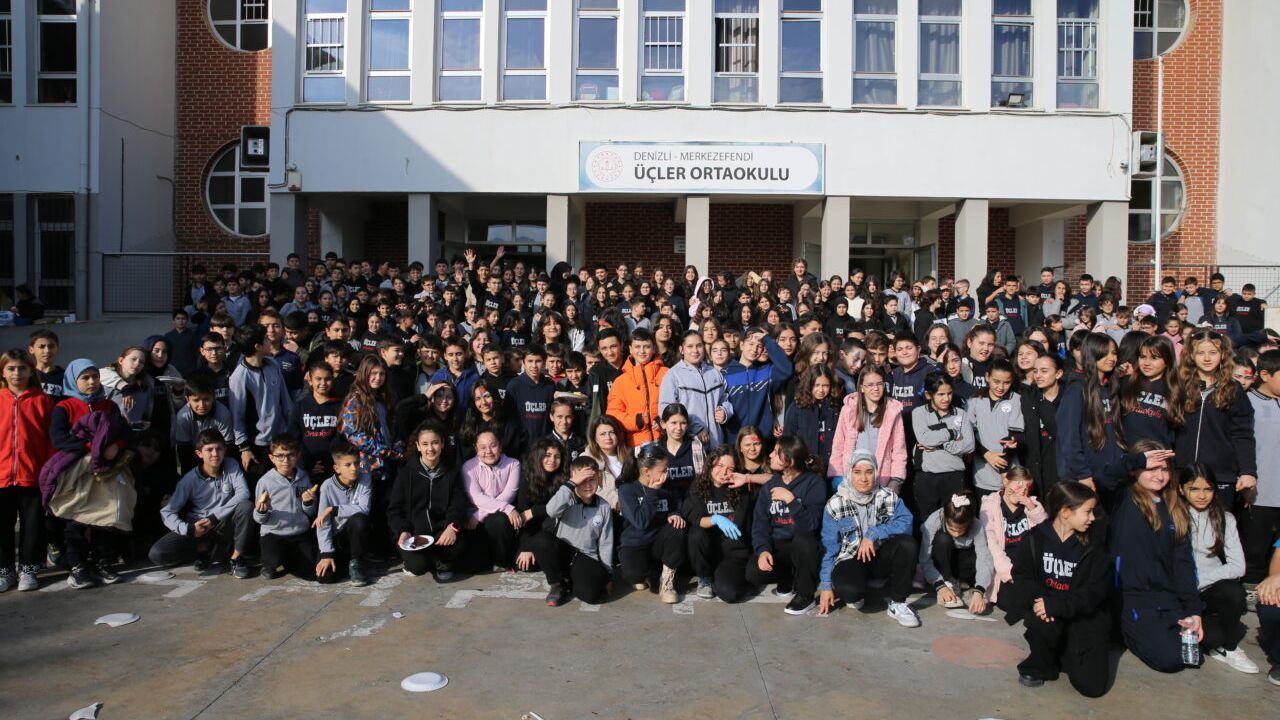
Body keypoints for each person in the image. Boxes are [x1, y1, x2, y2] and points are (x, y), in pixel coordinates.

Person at [998, 481, 1111, 696]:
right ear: (1065, 512)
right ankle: (1040, 664)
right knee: (1044, 625)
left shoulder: (1095, 545)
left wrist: (1059, 604)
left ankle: (1065, 653)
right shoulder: (1034, 539)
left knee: (1092, 688)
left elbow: (1096, 592)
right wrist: (1042, 602)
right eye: (1087, 511)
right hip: (1046, 613)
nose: (1092, 518)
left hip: (1081, 616)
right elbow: (1021, 577)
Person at [1110, 439, 1203, 673]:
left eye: (1164, 469)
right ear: (1135, 469)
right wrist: (1137, 459)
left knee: (1192, 654)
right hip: (1132, 598)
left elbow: (1183, 564)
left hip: (1166, 599)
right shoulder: (1121, 498)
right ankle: (1122, 631)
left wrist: (1193, 610)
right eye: (1151, 468)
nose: (1159, 476)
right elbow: (1105, 475)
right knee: (1169, 660)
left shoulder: (1175, 508)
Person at [817, 450, 920, 628]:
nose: (863, 479)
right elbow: (829, 548)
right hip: (852, 557)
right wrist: (825, 586)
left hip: (880, 556)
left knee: (907, 544)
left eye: (869, 472)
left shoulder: (888, 496)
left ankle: (898, 602)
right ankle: (860, 586)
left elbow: (906, 523)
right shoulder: (835, 504)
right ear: (849, 473)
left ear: (876, 473)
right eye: (857, 472)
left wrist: (875, 533)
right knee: (849, 592)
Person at [1178, 465, 1257, 673]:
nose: (1202, 496)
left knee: (1233, 592)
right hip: (1177, 591)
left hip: (1206, 588)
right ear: (1181, 489)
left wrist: (1197, 581)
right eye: (1194, 489)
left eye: (1208, 489)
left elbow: (1238, 566)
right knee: (1196, 643)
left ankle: (1229, 648)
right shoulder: (1172, 515)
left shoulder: (1225, 518)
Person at [149, 429, 253, 578]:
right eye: (209, 450)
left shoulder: (231, 465)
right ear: (199, 453)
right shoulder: (189, 479)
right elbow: (167, 511)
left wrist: (214, 518)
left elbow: (243, 493)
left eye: (219, 449)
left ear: (224, 450)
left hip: (223, 522)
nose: (215, 454)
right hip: (199, 526)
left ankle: (236, 558)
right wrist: (189, 529)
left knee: (246, 506)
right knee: (157, 554)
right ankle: (203, 551)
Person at [1174, 330, 1256, 510]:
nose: (1206, 358)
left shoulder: (1233, 389)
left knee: (1218, 525)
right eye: (1200, 353)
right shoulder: (1178, 386)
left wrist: (1248, 471)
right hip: (1183, 474)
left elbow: (1242, 434)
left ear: (1223, 354)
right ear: (1191, 355)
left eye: (1212, 352)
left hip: (1220, 475)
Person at [747, 436, 827, 615]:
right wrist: (763, 550)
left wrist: (791, 501)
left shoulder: (814, 483)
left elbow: (811, 524)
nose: (770, 455)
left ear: (789, 461)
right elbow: (760, 523)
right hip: (780, 545)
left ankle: (805, 594)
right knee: (753, 572)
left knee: (804, 540)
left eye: (776, 453)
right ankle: (788, 578)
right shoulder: (771, 485)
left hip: (804, 546)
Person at [0, 349, 55, 592]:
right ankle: (4, 571)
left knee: (33, 526)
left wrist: (49, 471)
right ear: (2, 372)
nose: (17, 373)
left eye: (22, 368)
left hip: (32, 475)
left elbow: (51, 441)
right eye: (11, 368)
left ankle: (29, 569)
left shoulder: (43, 401)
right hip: (1, 477)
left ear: (31, 371)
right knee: (2, 525)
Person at [388, 422, 468, 582]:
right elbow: (394, 509)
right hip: (413, 532)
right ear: (418, 446)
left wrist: (452, 526)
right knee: (418, 567)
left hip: (441, 531)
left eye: (435, 443)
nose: (430, 448)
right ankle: (427, 560)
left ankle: (442, 562)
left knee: (461, 541)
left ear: (442, 444)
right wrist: (403, 530)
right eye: (425, 444)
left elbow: (458, 504)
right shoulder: (405, 473)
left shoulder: (451, 471)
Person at [541, 456, 616, 606]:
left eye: (592, 480)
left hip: (585, 557)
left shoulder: (604, 507)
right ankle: (557, 583)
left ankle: (571, 581)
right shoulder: (566, 498)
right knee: (542, 541)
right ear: (573, 479)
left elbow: (606, 543)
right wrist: (571, 484)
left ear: (598, 479)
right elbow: (551, 510)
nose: (587, 485)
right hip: (564, 552)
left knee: (592, 596)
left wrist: (607, 574)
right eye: (582, 480)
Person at [682, 446, 753, 603]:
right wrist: (715, 519)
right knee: (696, 533)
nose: (724, 472)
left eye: (730, 469)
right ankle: (704, 578)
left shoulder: (739, 488)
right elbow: (696, 518)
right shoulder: (699, 485)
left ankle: (733, 577)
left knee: (730, 593)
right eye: (720, 466)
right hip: (707, 550)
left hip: (732, 552)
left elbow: (739, 523)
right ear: (711, 464)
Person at [617, 443, 686, 604]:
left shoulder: (668, 486)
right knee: (634, 576)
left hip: (659, 544)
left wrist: (675, 513)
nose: (666, 474)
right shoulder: (627, 490)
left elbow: (677, 504)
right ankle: (647, 574)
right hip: (636, 543)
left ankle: (666, 582)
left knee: (677, 528)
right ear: (646, 471)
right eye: (663, 470)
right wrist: (652, 492)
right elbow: (641, 522)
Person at [229, 324, 293, 479]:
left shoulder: (273, 364)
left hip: (281, 439)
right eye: (265, 339)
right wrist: (244, 448)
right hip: (257, 445)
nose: (270, 340)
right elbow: (237, 416)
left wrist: (292, 430)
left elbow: (286, 401)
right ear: (257, 346)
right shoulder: (239, 377)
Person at [828, 367, 907, 492]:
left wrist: (895, 481)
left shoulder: (892, 411)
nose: (876, 388)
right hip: (851, 479)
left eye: (879, 384)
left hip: (882, 480)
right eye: (870, 385)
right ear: (861, 387)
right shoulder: (849, 409)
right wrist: (838, 476)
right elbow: (838, 444)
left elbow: (899, 450)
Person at [253, 436, 320, 581]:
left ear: (298, 455)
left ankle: (291, 561)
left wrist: (308, 503)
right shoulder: (265, 482)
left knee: (311, 571)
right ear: (272, 458)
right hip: (274, 532)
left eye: (290, 455)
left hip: (299, 532)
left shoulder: (304, 478)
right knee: (274, 560)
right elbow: (258, 519)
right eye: (280, 456)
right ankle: (269, 564)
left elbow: (310, 512)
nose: (285, 460)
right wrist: (262, 510)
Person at [913, 372, 975, 524]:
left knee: (956, 521)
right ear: (929, 395)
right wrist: (952, 433)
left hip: (955, 476)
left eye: (949, 393)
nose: (946, 398)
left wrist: (940, 444)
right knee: (928, 524)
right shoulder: (919, 413)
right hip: (927, 478)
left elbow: (969, 445)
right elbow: (925, 439)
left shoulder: (961, 414)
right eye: (941, 394)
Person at [920, 490, 993, 614]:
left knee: (981, 558)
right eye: (952, 529)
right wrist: (940, 585)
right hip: (942, 563)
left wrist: (980, 590)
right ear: (945, 518)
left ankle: (969, 586)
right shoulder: (934, 520)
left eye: (961, 530)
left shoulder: (977, 525)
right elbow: (924, 558)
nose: (956, 534)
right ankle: (948, 584)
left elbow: (984, 558)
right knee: (943, 539)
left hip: (963, 563)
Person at [981, 466, 1047, 602]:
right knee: (1015, 599)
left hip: (1028, 566)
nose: (1022, 492)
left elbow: (1046, 532)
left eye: (1026, 489)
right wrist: (1009, 573)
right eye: (1019, 486)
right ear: (1006, 481)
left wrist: (1031, 507)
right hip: (1004, 567)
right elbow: (991, 544)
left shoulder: (1031, 504)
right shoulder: (990, 505)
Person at [1244, 350, 1280, 595]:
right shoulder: (1248, 402)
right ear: (1265, 375)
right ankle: (1251, 593)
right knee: (1256, 549)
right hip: (1260, 493)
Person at [659, 330, 732, 449]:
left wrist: (725, 411)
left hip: (717, 442)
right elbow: (666, 411)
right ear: (681, 349)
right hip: (689, 444)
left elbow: (725, 399)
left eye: (699, 346)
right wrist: (694, 430)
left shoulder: (714, 373)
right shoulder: (673, 375)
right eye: (690, 346)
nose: (695, 350)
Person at [314, 443, 374, 586]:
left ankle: (356, 562)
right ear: (337, 468)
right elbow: (323, 523)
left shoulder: (365, 478)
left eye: (356, 463)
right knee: (325, 578)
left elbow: (364, 508)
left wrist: (334, 509)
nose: (354, 468)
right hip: (336, 538)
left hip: (354, 534)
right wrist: (327, 553)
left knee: (360, 519)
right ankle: (344, 560)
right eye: (348, 465)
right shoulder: (327, 486)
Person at [461, 429, 521, 571]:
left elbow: (509, 495)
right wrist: (507, 508)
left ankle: (502, 561)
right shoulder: (468, 467)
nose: (488, 451)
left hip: (495, 519)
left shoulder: (513, 464)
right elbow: (476, 497)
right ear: (476, 448)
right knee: (473, 565)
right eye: (483, 447)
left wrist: (479, 515)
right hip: (473, 521)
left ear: (500, 446)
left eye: (493, 446)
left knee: (498, 520)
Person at [723, 326, 793, 441]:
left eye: (759, 346)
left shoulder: (766, 372)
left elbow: (786, 369)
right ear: (741, 345)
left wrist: (767, 340)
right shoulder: (726, 373)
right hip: (735, 439)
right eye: (751, 344)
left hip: (761, 437)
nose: (754, 349)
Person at [967, 359, 1024, 496]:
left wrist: (1004, 470)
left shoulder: (1016, 400)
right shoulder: (974, 400)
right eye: (996, 381)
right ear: (987, 377)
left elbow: (1014, 433)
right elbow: (968, 433)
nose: (1001, 387)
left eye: (1006, 382)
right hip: (982, 475)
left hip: (1009, 475)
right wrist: (986, 454)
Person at [607, 328, 668, 448]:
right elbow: (613, 414)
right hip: (636, 445)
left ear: (654, 348)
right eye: (637, 347)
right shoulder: (620, 381)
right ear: (630, 349)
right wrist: (637, 421)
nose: (642, 351)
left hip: (666, 440)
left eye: (647, 347)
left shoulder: (667, 374)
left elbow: (677, 404)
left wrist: (664, 419)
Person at [1019, 353, 1065, 494]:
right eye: (1035, 371)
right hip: (1038, 469)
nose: (1038, 375)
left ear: (1058, 373)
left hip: (1064, 468)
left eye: (1044, 371)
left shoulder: (1071, 397)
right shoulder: (1028, 397)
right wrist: (1014, 439)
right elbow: (1023, 431)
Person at [784, 366, 842, 477]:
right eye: (817, 385)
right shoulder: (797, 407)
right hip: (804, 467)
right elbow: (788, 438)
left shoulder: (835, 406)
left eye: (825, 386)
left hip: (831, 467)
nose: (821, 390)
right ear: (809, 384)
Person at [173, 375, 234, 474]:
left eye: (206, 399)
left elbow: (228, 446)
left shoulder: (223, 414)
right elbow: (183, 450)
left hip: (217, 454)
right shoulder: (182, 417)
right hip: (193, 454)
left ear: (213, 398)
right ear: (188, 400)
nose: (201, 405)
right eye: (196, 400)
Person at [653, 403, 703, 501]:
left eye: (683, 423)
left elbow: (703, 477)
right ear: (663, 424)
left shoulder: (695, 446)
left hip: (692, 503)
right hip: (666, 504)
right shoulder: (656, 450)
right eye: (673, 423)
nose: (679, 428)